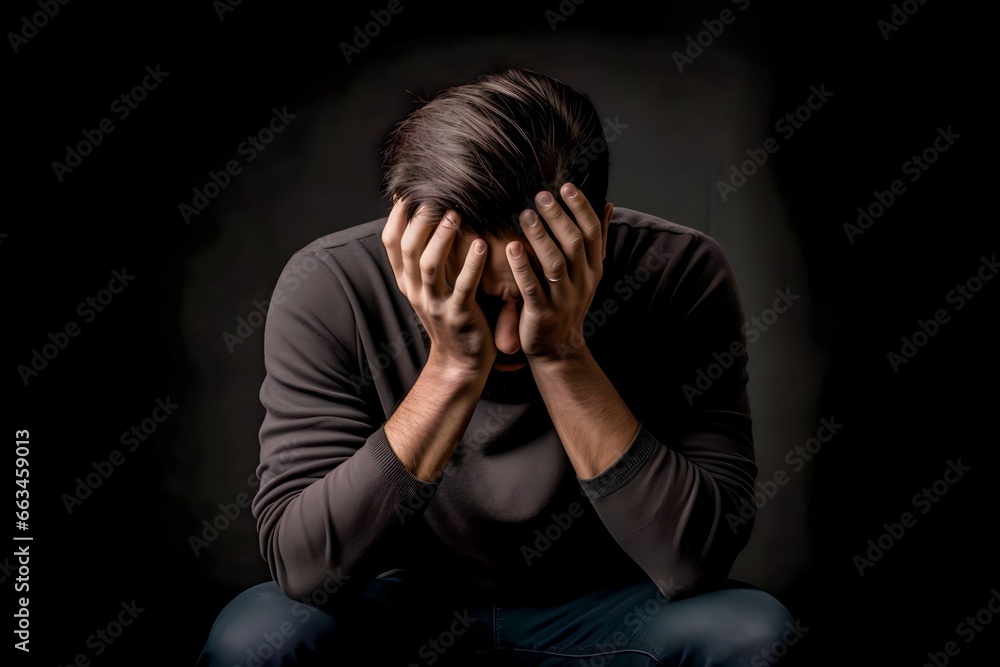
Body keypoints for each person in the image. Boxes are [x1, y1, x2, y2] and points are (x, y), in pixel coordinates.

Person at [197, 66, 797, 666]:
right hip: (395, 601)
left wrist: (561, 351)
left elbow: (692, 562)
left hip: (611, 604)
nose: (508, 340)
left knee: (750, 633)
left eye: (539, 288)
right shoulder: (329, 283)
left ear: (598, 231)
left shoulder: (681, 271)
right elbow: (306, 571)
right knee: (255, 638)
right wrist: (453, 366)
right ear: (406, 235)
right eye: (477, 296)